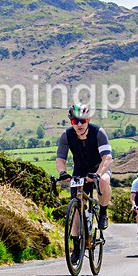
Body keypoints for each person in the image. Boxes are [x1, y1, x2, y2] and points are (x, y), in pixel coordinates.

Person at [55, 103, 113, 263]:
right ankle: (76, 246)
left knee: (103, 181)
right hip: (80, 171)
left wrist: (97, 174)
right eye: (75, 122)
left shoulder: (98, 132)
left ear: (88, 120)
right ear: (71, 122)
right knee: (77, 207)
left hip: (99, 167)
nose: (79, 125)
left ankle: (103, 212)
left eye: (82, 121)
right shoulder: (66, 136)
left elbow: (107, 158)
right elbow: (60, 159)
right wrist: (62, 173)